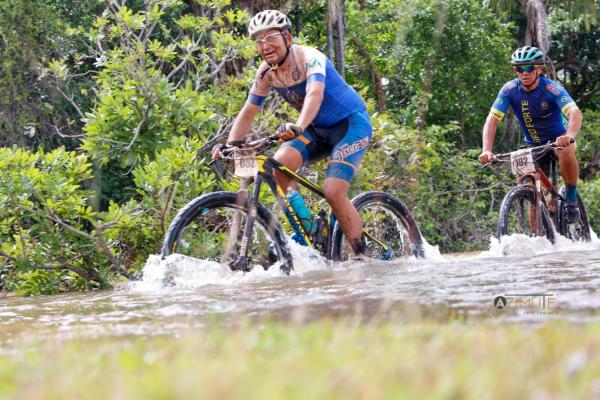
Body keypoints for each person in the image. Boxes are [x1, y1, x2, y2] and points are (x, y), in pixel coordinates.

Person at [212, 10, 372, 254]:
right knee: (278, 167)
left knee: (333, 191)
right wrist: (231, 144)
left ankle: (364, 257)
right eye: (258, 41)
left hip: (350, 125)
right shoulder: (266, 73)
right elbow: (249, 110)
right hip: (317, 129)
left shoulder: (310, 57)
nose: (264, 46)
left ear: (287, 37)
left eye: (270, 38)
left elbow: (314, 95)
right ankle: (310, 232)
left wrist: (297, 126)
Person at [478, 46, 583, 223]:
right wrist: (487, 150)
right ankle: (538, 236)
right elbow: (492, 120)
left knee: (566, 149)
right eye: (520, 69)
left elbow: (575, 112)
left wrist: (569, 134)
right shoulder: (509, 89)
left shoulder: (551, 88)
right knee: (529, 186)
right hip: (533, 144)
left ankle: (571, 199)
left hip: (558, 139)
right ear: (515, 71)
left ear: (539, 69)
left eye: (529, 68)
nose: (524, 73)